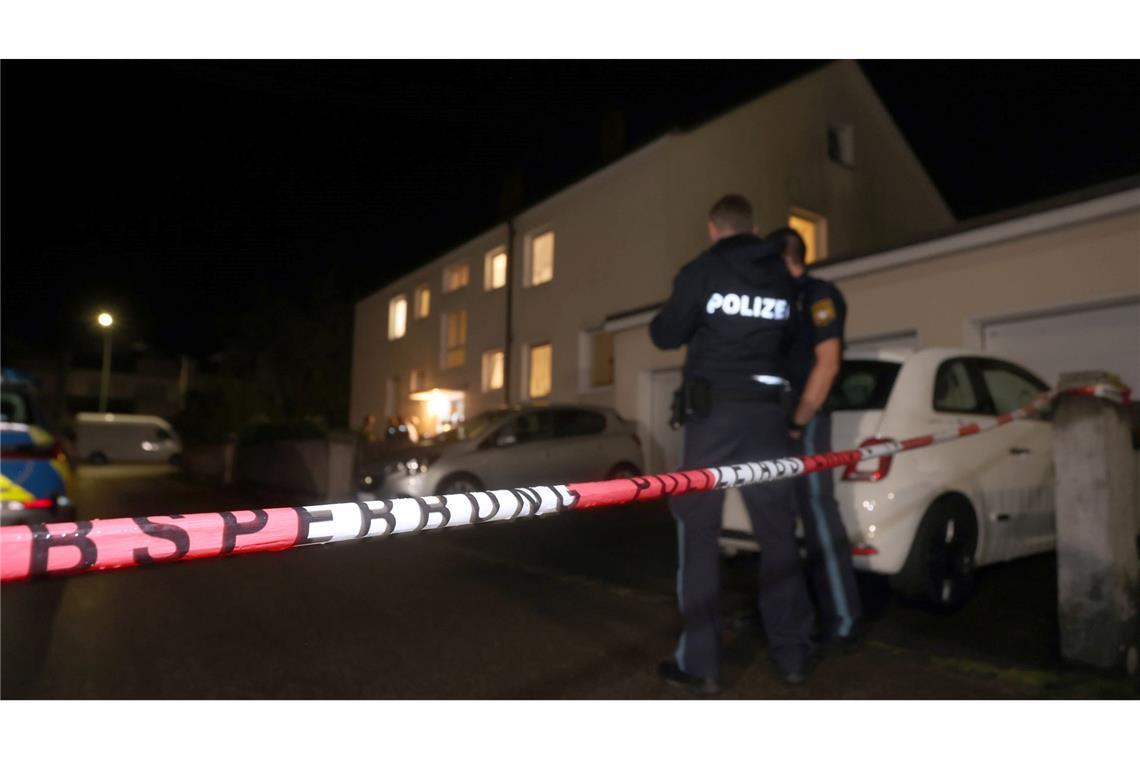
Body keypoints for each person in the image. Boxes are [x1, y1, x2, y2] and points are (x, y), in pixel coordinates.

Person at [650, 194, 815, 693]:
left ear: (712, 227)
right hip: (767, 416)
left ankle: (701, 665)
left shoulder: (702, 270)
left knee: (698, 536)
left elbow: (665, 333)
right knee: (778, 535)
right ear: (754, 226)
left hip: (713, 417)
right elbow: (796, 347)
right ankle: (793, 656)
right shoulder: (783, 278)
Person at [770, 226, 863, 650]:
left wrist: (798, 419)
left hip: (804, 419)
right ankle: (799, 619)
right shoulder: (780, 300)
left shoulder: (819, 294)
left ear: (785, 258)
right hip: (777, 418)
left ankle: (843, 620)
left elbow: (827, 365)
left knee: (818, 513)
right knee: (781, 519)